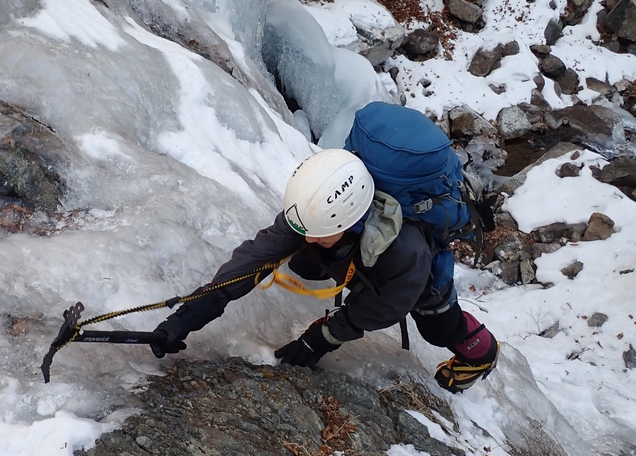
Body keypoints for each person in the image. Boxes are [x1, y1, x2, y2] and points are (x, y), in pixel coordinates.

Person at [150, 148, 500, 393]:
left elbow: (388, 306)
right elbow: (259, 255)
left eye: (318, 234)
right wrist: (192, 312)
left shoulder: (405, 252)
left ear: (348, 222)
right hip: (364, 253)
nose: (307, 238)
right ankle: (349, 264)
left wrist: (324, 336)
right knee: (305, 258)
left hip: (418, 278)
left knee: (439, 327)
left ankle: (482, 354)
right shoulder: (316, 210)